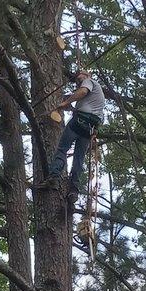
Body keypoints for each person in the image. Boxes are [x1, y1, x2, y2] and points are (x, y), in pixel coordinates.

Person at [37, 70, 105, 202]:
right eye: (77, 80)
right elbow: (88, 106)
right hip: (89, 128)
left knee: (62, 149)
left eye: (80, 77)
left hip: (79, 122)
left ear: (87, 75)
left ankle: (54, 177)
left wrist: (65, 103)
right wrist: (72, 108)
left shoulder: (89, 82)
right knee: (79, 158)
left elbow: (83, 92)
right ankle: (74, 190)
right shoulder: (96, 94)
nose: (78, 80)